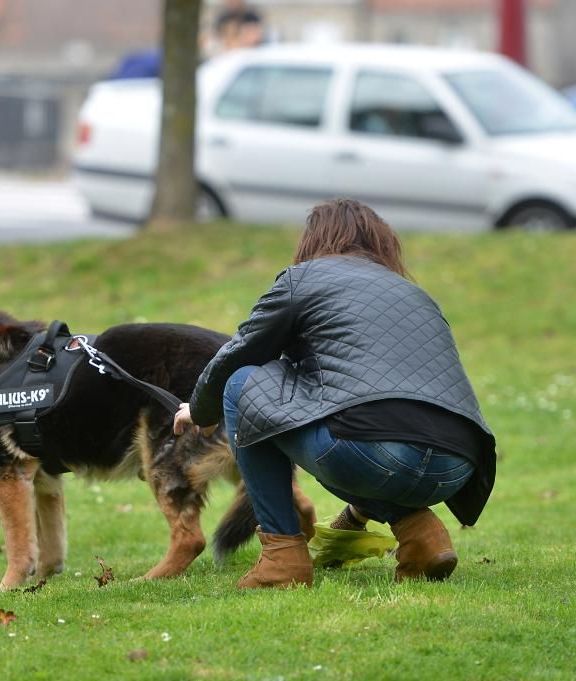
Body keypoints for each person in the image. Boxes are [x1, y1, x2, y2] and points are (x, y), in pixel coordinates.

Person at [174, 198, 497, 589]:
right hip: (457, 466)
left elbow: (239, 354)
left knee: (243, 383)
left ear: (315, 241)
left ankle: (282, 558)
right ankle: (422, 535)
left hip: (372, 452)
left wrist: (200, 409)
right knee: (360, 433)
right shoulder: (416, 295)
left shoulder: (304, 278)